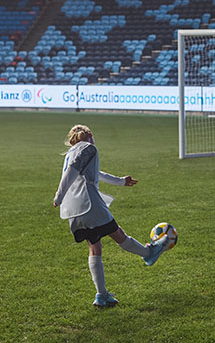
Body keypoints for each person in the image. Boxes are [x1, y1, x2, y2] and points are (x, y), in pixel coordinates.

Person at [53, 124, 169, 307]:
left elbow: (94, 173)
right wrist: (58, 196)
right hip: (88, 204)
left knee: (94, 246)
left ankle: (101, 295)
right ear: (89, 135)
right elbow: (71, 172)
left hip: (73, 210)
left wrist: (121, 181)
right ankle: (149, 253)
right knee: (118, 234)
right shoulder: (88, 147)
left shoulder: (71, 152)